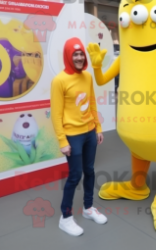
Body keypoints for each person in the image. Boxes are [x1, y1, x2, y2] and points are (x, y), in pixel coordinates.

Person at [51, 37, 107, 237]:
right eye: (75, 54)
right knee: (75, 176)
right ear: (68, 55)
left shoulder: (88, 76)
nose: (79, 57)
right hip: (72, 136)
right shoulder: (59, 80)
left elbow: (92, 103)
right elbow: (56, 114)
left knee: (90, 171)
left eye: (81, 53)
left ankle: (88, 208)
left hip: (90, 132)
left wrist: (98, 127)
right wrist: (62, 141)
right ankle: (65, 218)